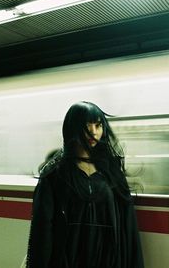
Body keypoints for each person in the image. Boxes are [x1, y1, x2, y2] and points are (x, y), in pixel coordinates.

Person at [26, 101, 144, 268]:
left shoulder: (111, 172)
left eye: (98, 125)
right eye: (87, 126)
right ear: (72, 128)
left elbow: (128, 227)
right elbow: (41, 231)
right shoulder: (55, 175)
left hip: (108, 261)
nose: (94, 132)